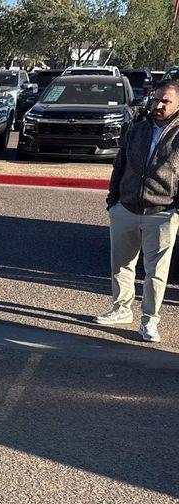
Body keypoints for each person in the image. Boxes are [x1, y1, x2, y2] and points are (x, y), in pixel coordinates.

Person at [97, 81, 179, 343]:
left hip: (163, 211)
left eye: (165, 101)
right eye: (156, 99)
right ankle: (121, 309)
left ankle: (149, 321)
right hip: (127, 207)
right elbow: (119, 165)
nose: (158, 105)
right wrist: (114, 201)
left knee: (156, 272)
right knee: (121, 264)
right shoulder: (138, 129)